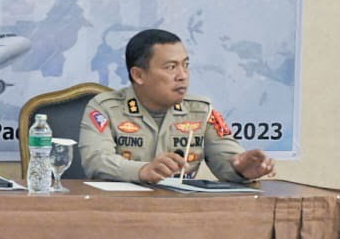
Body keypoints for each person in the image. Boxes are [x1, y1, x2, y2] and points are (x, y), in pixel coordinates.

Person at [79, 28, 275, 184]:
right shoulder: (106, 108)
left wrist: (242, 168)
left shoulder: (200, 110)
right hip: (120, 210)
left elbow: (227, 159)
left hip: (180, 211)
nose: (183, 75)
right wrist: (143, 170)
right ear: (138, 75)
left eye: (186, 65)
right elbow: (96, 161)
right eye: (171, 67)